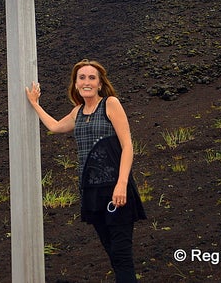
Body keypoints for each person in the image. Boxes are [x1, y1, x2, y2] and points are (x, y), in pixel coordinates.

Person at [25, 59, 145, 283]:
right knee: (111, 252)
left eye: (92, 78)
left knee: (121, 254)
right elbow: (55, 126)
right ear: (76, 84)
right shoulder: (77, 112)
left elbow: (127, 145)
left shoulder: (110, 104)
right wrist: (35, 104)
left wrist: (122, 184)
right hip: (91, 191)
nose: (86, 82)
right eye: (82, 78)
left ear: (100, 84)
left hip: (115, 189)